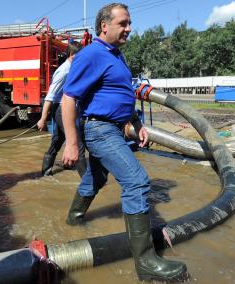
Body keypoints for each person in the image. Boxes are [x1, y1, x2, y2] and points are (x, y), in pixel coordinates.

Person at [60, 3, 187, 282]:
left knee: (96, 179)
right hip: (100, 130)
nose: (129, 28)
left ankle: (73, 220)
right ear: (104, 25)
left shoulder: (117, 56)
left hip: (115, 129)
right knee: (137, 182)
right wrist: (71, 143)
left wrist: (138, 124)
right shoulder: (91, 54)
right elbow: (68, 99)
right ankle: (146, 263)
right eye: (123, 23)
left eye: (129, 23)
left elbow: (122, 94)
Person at [37, 41, 87, 177]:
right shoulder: (63, 71)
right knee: (76, 141)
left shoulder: (72, 68)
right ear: (71, 55)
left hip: (65, 108)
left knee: (58, 140)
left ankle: (46, 173)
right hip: (60, 109)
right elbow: (50, 96)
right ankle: (88, 182)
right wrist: (42, 118)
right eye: (79, 56)